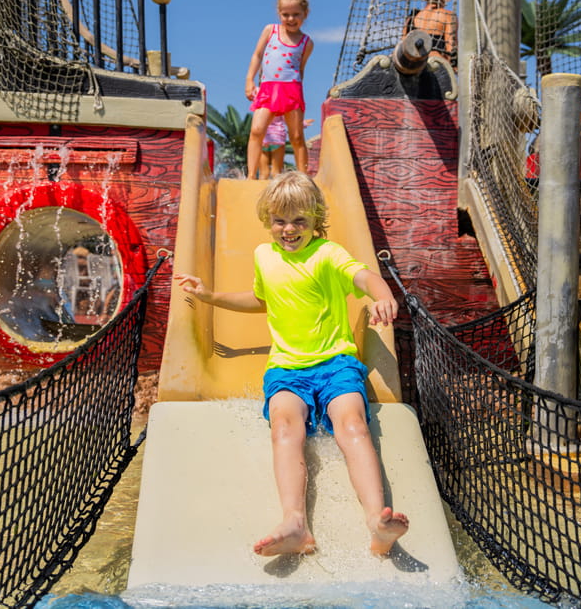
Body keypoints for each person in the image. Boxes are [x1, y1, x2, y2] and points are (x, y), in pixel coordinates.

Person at [174, 171, 409, 557]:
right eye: (280, 220)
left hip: (336, 363)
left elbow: (366, 278)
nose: (289, 228)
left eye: (300, 220)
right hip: (286, 367)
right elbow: (262, 299)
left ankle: (376, 522)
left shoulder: (328, 254)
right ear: (267, 219)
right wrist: (211, 296)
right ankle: (295, 523)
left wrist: (383, 297)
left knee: (351, 422)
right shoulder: (263, 256)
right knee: (284, 425)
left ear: (316, 219)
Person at [245, 0, 313, 180]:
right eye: (286, 14)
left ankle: (303, 177)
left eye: (296, 15)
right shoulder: (270, 31)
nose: (291, 19)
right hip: (268, 89)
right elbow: (257, 55)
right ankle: (250, 176)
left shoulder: (306, 42)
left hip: (291, 91)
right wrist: (250, 80)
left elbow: (300, 71)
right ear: (279, 13)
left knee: (297, 136)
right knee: (257, 130)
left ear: (305, 14)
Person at [404, 0, 457, 67]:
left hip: (411, 66)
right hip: (435, 67)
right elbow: (451, 50)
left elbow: (403, 45)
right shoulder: (447, 16)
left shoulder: (412, 17)